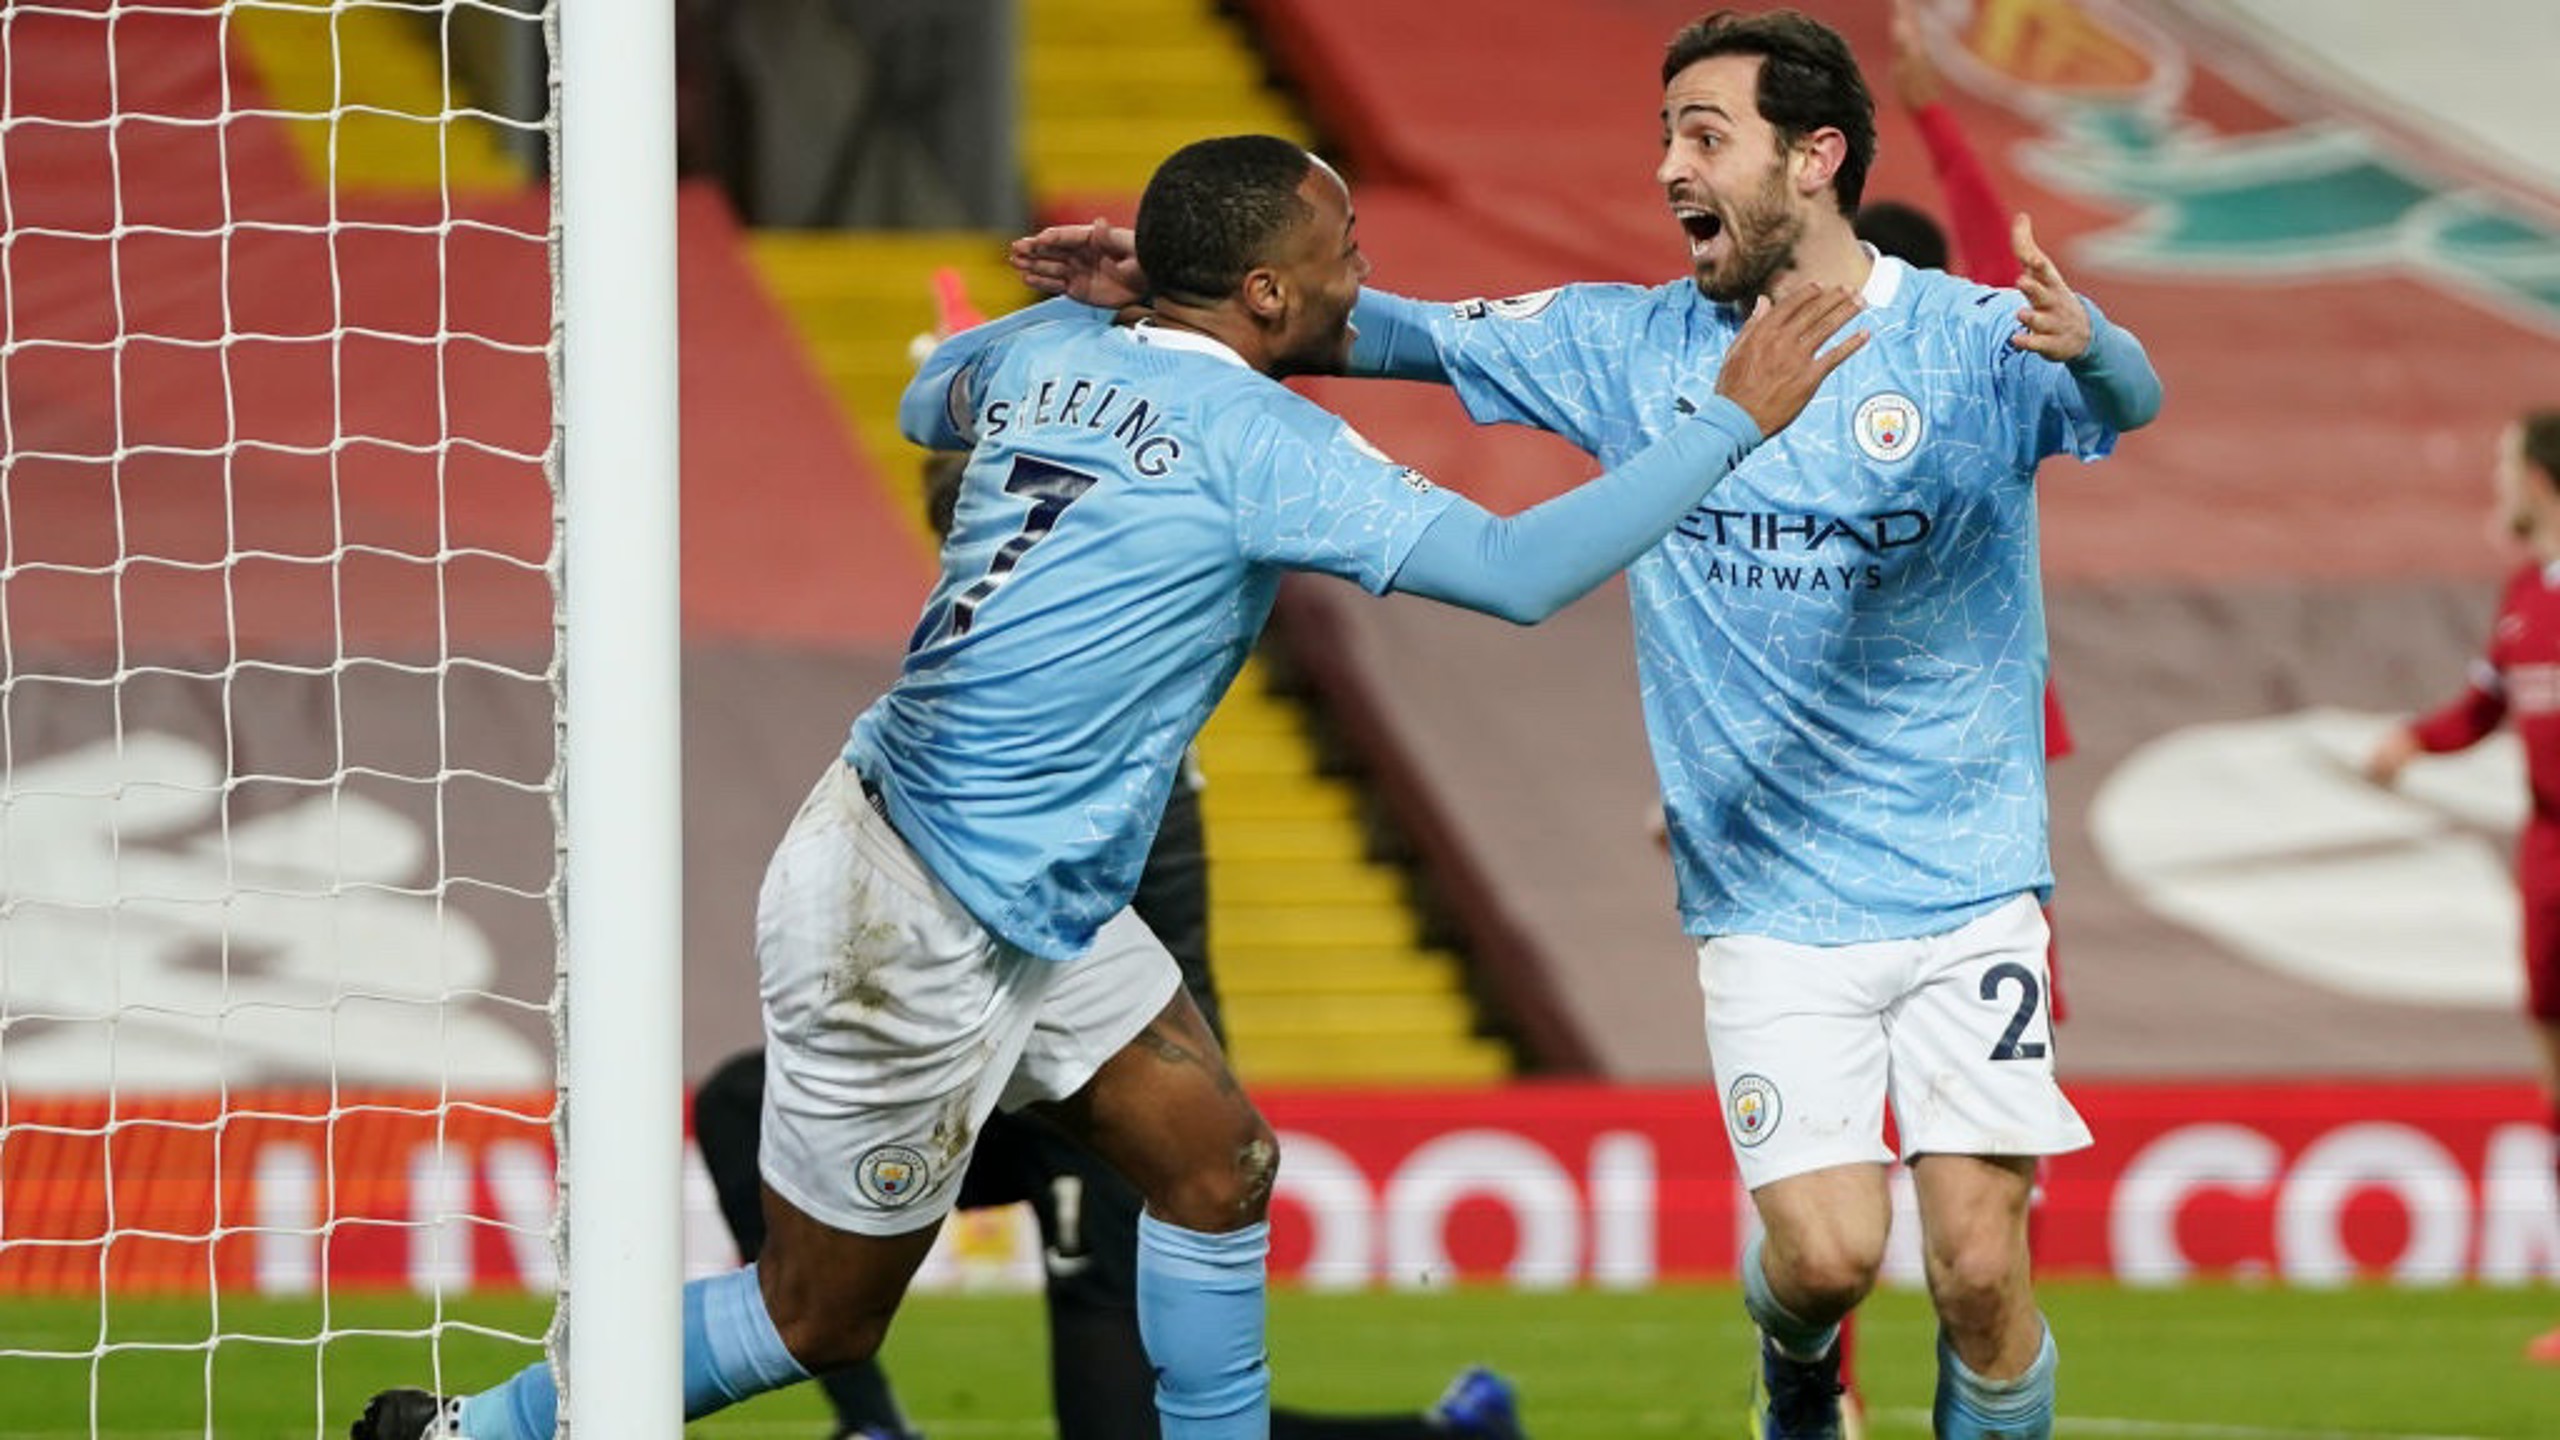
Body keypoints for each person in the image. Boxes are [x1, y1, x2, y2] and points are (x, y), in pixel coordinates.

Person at [351, 132, 1863, 1440]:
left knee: (1216, 1168)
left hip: (1030, 892)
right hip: (915, 910)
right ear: (1267, 294)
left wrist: (1097, 304)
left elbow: (923, 401)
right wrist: (1732, 422)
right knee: (821, 1319)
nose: (1360, 282)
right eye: (1346, 256)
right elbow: (1525, 573)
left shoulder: (1044, 355)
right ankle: (485, 1429)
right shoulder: (1269, 440)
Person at [1011, 12, 2163, 1440]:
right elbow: (1389, 332)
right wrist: (1181, 291)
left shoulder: (1968, 339)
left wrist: (2100, 342)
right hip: (1770, 899)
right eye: (1663, 133)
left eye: (1704, 132)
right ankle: (1792, 1362)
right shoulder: (1624, 347)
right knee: (1826, 1261)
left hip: (1972, 883)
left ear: (1816, 158)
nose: (1668, 164)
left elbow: (2127, 398)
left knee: (1982, 1270)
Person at [689, 454, 1532, 1440]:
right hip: (1006, 1061)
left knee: (1120, 1432)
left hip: (1105, 1090)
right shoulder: (992, 678)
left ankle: (1443, 1435)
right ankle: (869, 1427)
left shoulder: (1119, 719)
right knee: (740, 1106)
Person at [2363, 410, 2560, 1368]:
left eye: (2504, 463)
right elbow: (2487, 702)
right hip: (2548, 861)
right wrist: (2414, 742)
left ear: (2540, 480)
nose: (2496, 481)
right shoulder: (2526, 595)